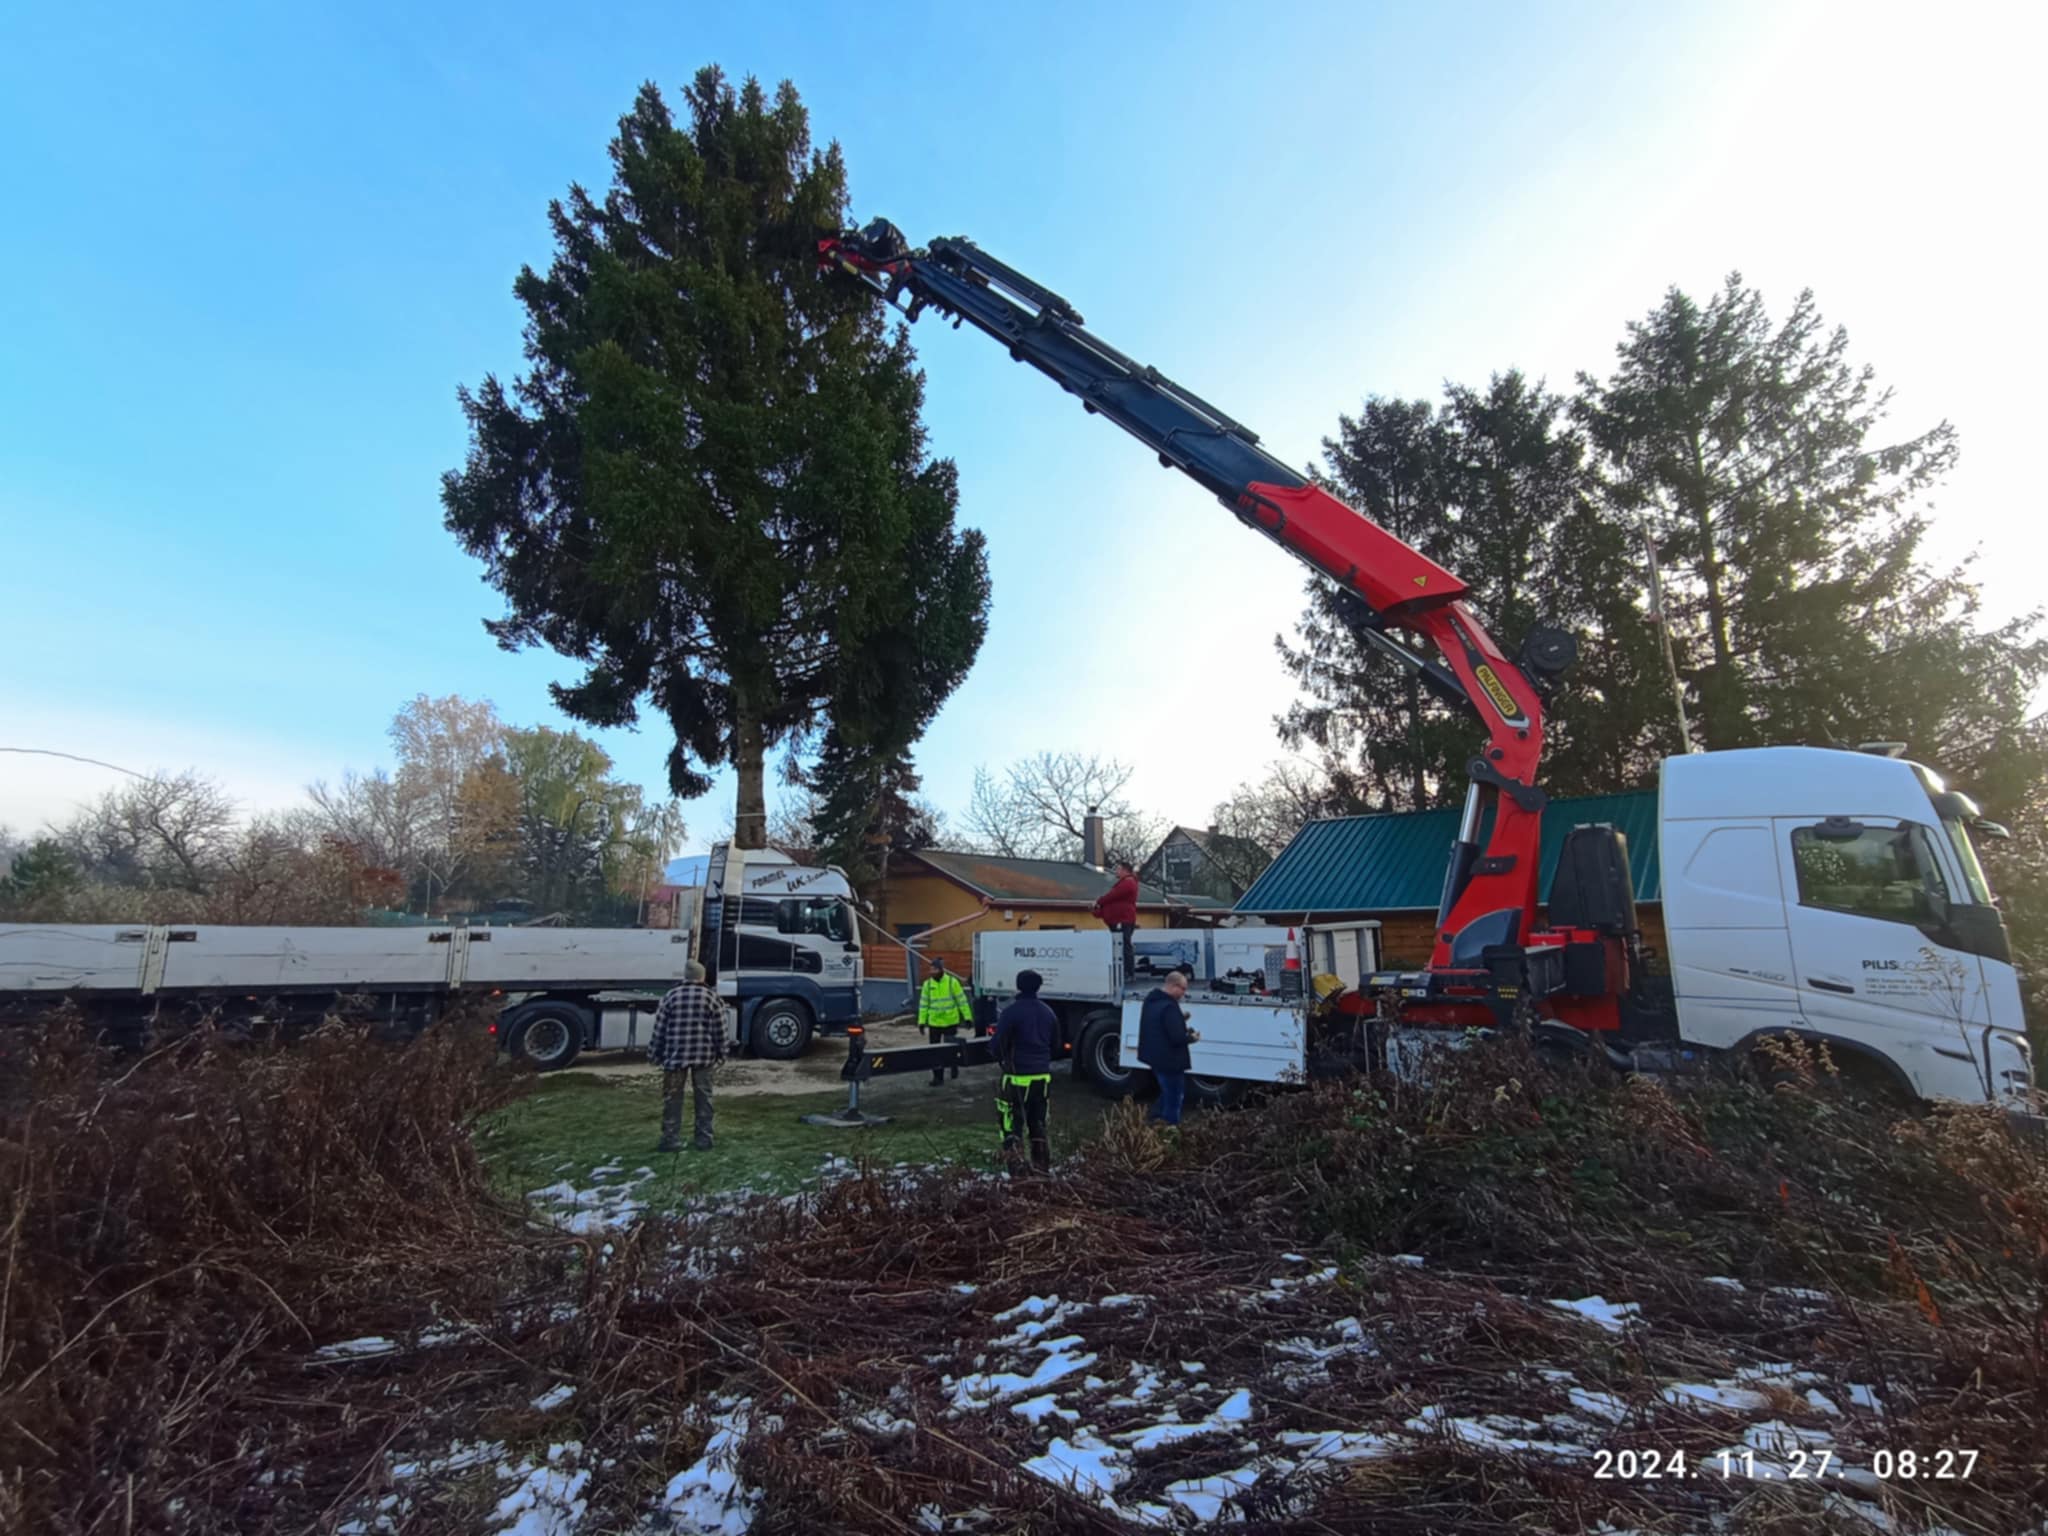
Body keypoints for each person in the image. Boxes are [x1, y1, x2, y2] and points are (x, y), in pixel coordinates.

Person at [649, 960, 729, 1153]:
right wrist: (722, 1052)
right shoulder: (711, 997)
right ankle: (704, 1140)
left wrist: (654, 1053)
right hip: (704, 1057)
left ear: (685, 977)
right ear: (702, 977)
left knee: (672, 1100)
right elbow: (720, 1030)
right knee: (704, 1099)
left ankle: (670, 1140)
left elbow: (659, 1029)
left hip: (675, 1057)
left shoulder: (670, 996)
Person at [991, 968, 1058, 1173]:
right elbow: (1056, 1045)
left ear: (1018, 985)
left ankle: (1017, 1174)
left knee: (1012, 1129)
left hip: (1016, 1079)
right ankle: (1042, 1170)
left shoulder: (1011, 1012)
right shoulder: (1048, 1012)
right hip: (1042, 1078)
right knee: (1038, 1126)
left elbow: (997, 1046)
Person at [1137, 969, 1200, 1126]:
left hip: (1155, 1057)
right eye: (1183, 989)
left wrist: (1180, 1018)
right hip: (1170, 1061)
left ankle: (1153, 1118)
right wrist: (1192, 1038)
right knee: (1175, 1097)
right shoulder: (1170, 1007)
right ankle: (1170, 1128)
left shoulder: (1152, 1001)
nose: (1183, 993)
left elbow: (1159, 1023)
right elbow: (1177, 1037)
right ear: (1173, 986)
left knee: (1167, 1091)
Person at [917, 954, 972, 1086]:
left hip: (950, 1021)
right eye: (931, 970)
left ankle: (953, 1065)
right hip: (934, 1023)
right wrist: (921, 1022)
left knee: (951, 1049)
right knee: (935, 1052)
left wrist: (967, 1017)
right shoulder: (927, 985)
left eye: (935, 969)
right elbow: (923, 1004)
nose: (932, 972)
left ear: (941, 969)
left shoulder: (952, 982)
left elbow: (962, 1001)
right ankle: (938, 1077)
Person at [1092, 859, 1140, 979]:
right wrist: (1098, 909)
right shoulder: (1125, 883)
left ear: (1124, 870)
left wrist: (1100, 901)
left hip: (1123, 919)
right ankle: (1123, 971)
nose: (1116, 872)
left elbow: (1113, 896)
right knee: (1120, 946)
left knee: (1124, 945)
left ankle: (1128, 972)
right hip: (1117, 919)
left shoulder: (1128, 882)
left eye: (1118, 869)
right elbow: (1113, 901)